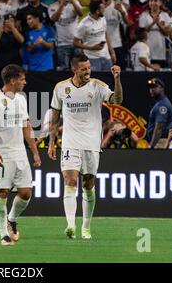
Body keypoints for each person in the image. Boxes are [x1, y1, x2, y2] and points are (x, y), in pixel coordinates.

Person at [48, 54, 123, 240]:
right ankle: (71, 225)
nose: (88, 71)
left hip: (91, 143)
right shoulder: (61, 88)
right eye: (84, 69)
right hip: (70, 142)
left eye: (89, 68)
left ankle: (86, 227)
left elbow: (117, 101)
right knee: (70, 181)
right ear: (75, 70)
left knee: (88, 184)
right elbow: (55, 118)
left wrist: (117, 79)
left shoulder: (97, 86)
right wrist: (51, 143)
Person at [0, 64, 41, 246]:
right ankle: (4, 235)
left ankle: (12, 219)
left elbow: (26, 127)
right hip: (2, 154)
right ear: (12, 80)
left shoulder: (21, 100)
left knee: (26, 193)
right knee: (2, 193)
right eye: (22, 79)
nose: (25, 82)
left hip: (20, 154)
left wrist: (35, 152)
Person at [74, 0, 116, 72]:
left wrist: (112, 52)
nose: (104, 10)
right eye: (102, 8)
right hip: (92, 58)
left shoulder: (102, 18)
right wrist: (92, 47)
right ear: (97, 11)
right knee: (95, 81)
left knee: (108, 80)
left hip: (106, 56)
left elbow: (105, 34)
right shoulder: (83, 24)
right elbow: (75, 43)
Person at [48, 0, 82, 71]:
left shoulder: (75, 3)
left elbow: (81, 13)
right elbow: (54, 19)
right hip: (62, 44)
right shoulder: (53, 6)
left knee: (79, 68)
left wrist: (73, 1)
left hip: (76, 43)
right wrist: (62, 5)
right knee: (64, 69)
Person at [138, 0, 171, 69]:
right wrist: (153, 22)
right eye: (151, 1)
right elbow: (141, 33)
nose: (153, 3)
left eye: (155, 1)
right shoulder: (144, 15)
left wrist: (158, 24)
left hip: (161, 49)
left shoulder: (165, 15)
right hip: (147, 48)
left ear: (160, 2)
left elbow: (167, 33)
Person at [146, 78, 172, 149]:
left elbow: (159, 128)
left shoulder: (162, 105)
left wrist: (151, 146)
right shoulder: (161, 102)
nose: (152, 89)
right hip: (159, 141)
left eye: (155, 87)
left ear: (162, 88)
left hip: (160, 142)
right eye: (150, 87)